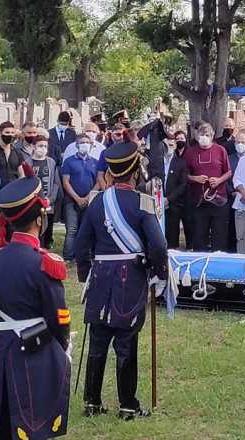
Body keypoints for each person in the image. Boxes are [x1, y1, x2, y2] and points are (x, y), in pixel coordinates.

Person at [73, 141, 168, 421]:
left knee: (98, 339)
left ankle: (92, 401)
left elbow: (81, 246)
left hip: (101, 277)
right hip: (131, 277)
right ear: (136, 170)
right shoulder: (143, 202)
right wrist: (158, 273)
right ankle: (127, 405)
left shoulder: (96, 202)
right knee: (126, 341)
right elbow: (159, 246)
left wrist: (85, 275)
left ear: (111, 172)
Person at [0, 165, 71, 439]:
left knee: (3, 421)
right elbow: (58, 316)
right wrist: (62, 345)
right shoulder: (43, 262)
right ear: (39, 220)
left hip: (0, 349)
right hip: (35, 353)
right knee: (34, 424)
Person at [184, 123, 232, 252]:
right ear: (197, 136)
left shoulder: (220, 150)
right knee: (199, 236)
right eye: (201, 135)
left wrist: (219, 180)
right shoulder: (190, 152)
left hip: (218, 200)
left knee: (219, 236)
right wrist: (195, 178)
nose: (204, 137)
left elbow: (228, 172)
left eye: (207, 135)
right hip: (199, 201)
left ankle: (218, 263)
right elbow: (184, 175)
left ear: (212, 137)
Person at [0, 122, 25, 254]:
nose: (10, 135)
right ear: (0, 133)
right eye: (7, 133)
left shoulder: (17, 153)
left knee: (11, 227)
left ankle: (8, 253)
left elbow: (21, 175)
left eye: (12, 133)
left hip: (13, 196)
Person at [60, 133, 100, 262]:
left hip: (89, 201)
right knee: (72, 229)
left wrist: (88, 197)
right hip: (71, 201)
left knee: (86, 229)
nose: (85, 145)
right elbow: (65, 181)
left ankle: (84, 255)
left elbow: (99, 182)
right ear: (77, 145)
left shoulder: (95, 162)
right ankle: (68, 256)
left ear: (91, 145)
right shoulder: (69, 161)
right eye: (82, 142)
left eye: (87, 143)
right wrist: (77, 198)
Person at [24, 132, 63, 248]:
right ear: (34, 147)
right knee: (35, 230)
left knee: (47, 231)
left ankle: (45, 253)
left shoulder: (51, 162)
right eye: (40, 146)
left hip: (47, 204)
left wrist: (50, 199)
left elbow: (56, 183)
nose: (43, 149)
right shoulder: (27, 163)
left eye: (45, 146)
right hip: (33, 204)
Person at [159, 137, 188, 249]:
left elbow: (183, 184)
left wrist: (169, 199)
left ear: (175, 146)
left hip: (173, 204)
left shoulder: (181, 163)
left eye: (171, 145)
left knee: (172, 236)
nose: (169, 148)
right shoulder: (157, 161)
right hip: (157, 203)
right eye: (166, 145)